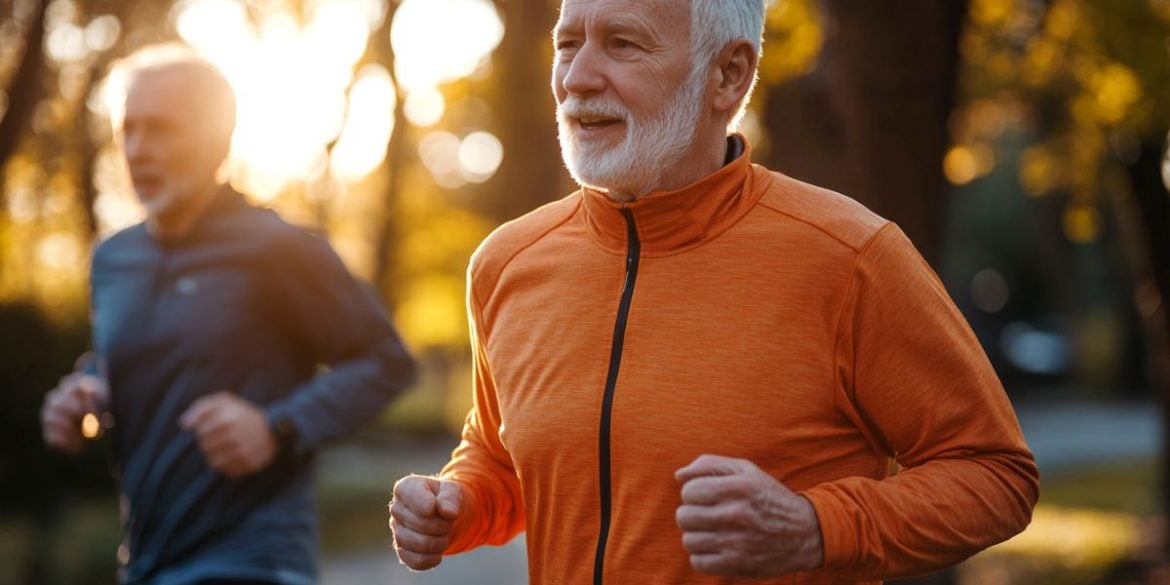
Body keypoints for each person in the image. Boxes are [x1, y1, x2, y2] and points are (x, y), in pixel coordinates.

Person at [388, 0, 1038, 583]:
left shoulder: (850, 258)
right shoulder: (506, 263)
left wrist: (814, 527)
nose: (577, 77)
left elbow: (995, 476)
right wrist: (459, 502)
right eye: (567, 43)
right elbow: (503, 458)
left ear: (727, 75)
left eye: (622, 44)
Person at [40, 44, 416, 585]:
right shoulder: (112, 259)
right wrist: (85, 395)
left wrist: (276, 427)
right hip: (146, 562)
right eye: (130, 130)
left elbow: (387, 362)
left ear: (218, 138)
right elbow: (128, 360)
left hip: (254, 560)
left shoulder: (278, 250)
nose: (139, 150)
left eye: (163, 129)